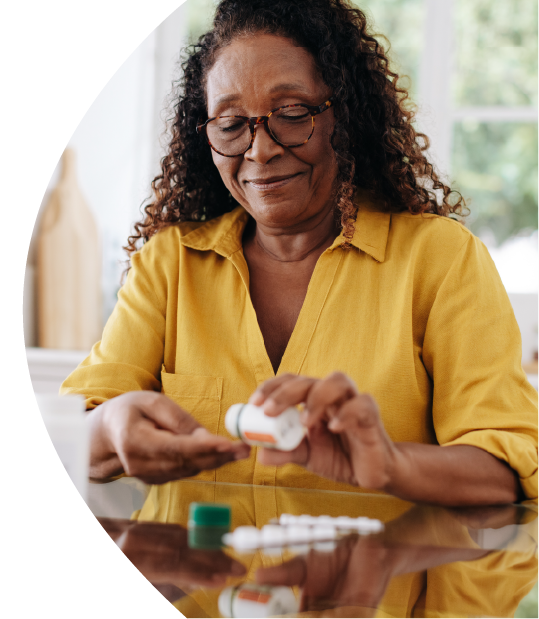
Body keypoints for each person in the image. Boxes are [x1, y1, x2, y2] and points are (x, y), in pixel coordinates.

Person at [61, 0, 539, 505]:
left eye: (291, 114)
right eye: (229, 124)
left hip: (376, 580)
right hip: (205, 581)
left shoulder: (439, 259)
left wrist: (388, 463)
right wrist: (108, 427)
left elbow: (508, 465)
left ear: (344, 117)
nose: (259, 149)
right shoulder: (170, 264)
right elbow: (68, 434)